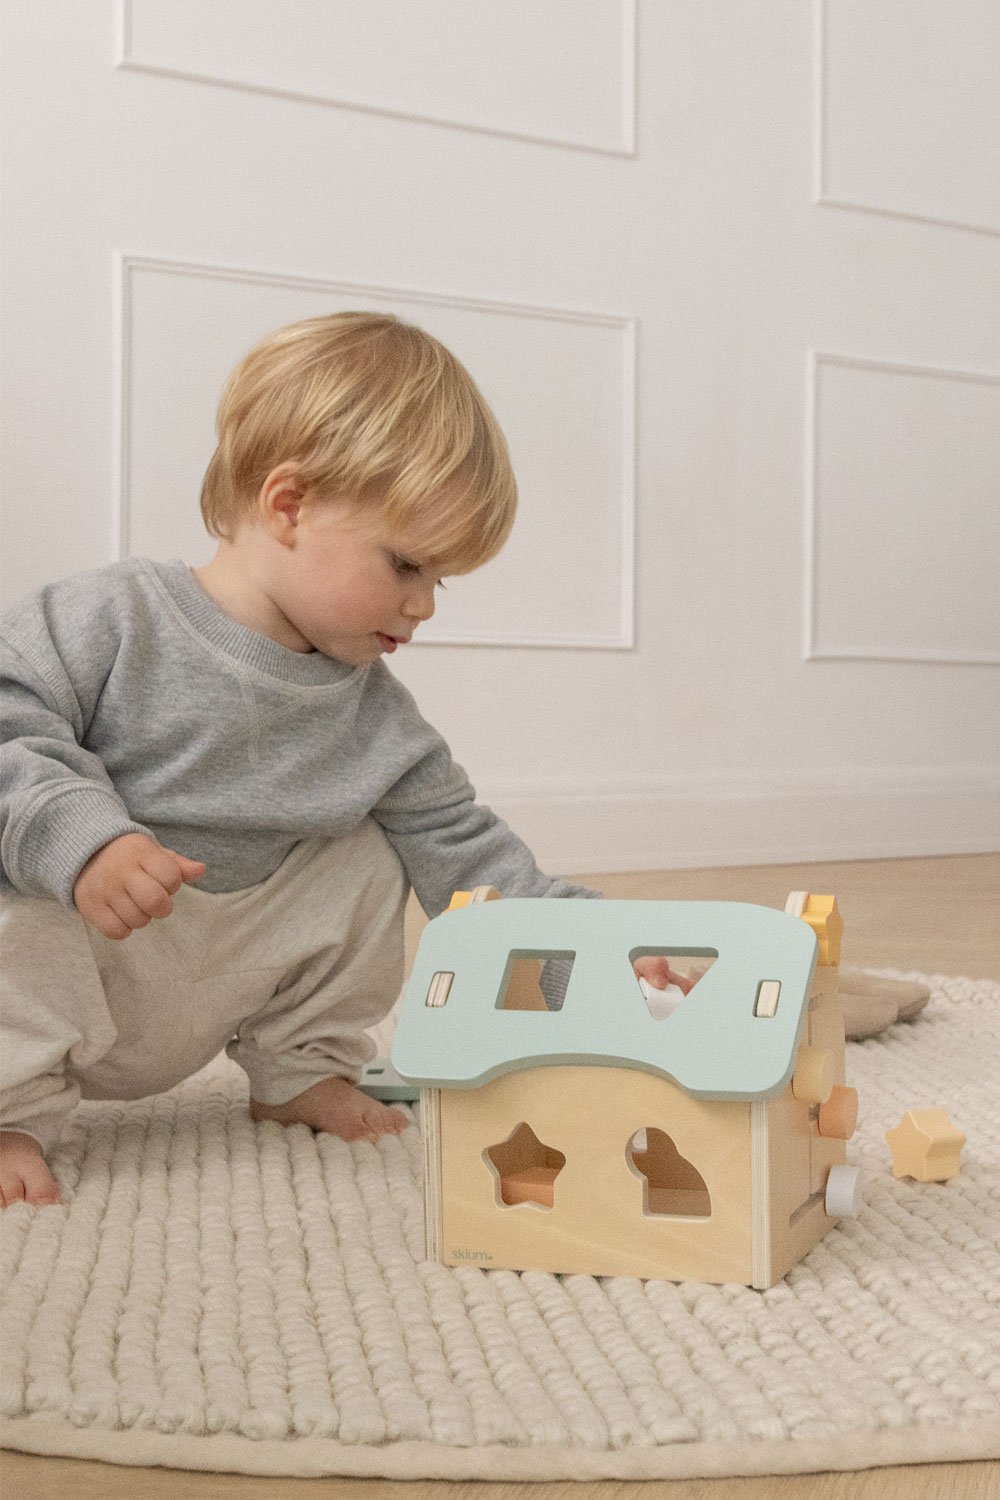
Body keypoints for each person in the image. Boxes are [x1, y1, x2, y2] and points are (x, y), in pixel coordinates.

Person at [0, 312, 686, 1208]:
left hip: (223, 968)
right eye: (406, 565)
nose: (426, 605)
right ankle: (11, 1107)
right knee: (22, 880)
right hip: (90, 950)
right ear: (289, 504)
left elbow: (476, 866)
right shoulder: (107, 619)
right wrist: (85, 844)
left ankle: (296, 1070)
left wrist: (608, 957)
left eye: (441, 579)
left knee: (375, 851)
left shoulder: (379, 720)